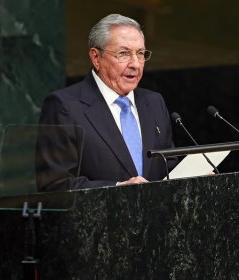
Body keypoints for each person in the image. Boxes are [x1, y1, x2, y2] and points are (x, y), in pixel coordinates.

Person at [36, 14, 177, 192]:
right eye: (124, 53)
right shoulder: (64, 106)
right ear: (96, 57)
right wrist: (117, 188)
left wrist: (194, 178)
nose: (135, 64)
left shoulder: (154, 102)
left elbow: (168, 168)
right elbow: (54, 184)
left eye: (140, 54)